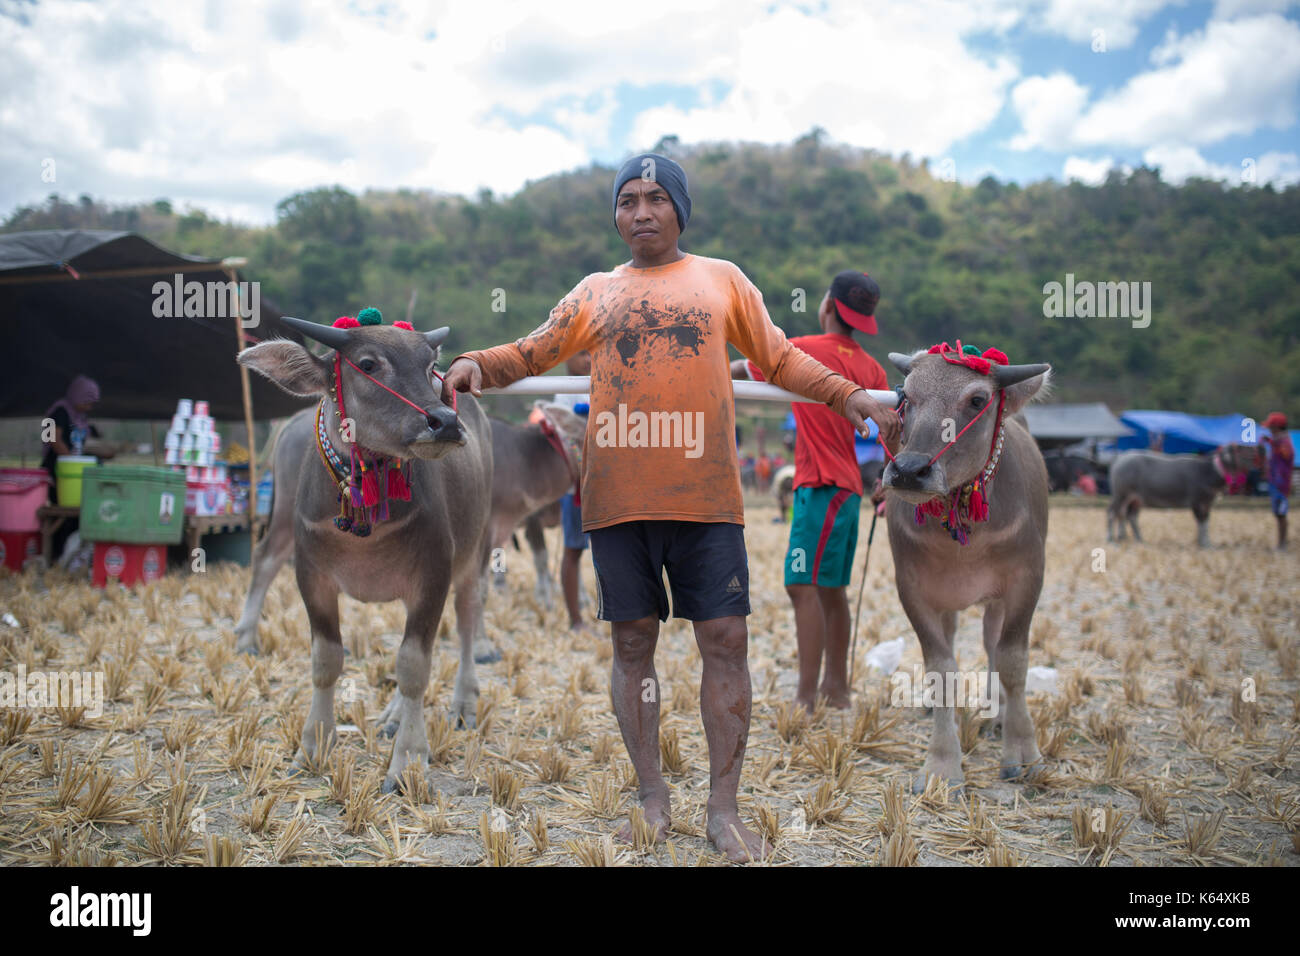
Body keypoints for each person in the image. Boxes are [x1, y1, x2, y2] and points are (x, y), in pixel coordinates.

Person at [441, 153, 900, 863]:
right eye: (629, 200)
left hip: (707, 497)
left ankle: (724, 809)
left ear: (681, 210)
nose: (643, 211)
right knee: (632, 646)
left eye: (657, 197)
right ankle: (651, 798)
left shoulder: (723, 280)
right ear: (617, 215)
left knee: (725, 641)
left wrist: (849, 393)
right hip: (617, 502)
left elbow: (779, 360)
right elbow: (533, 350)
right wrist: (478, 363)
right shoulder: (595, 291)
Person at [732, 270, 889, 712]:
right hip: (847, 490)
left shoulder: (802, 350)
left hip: (819, 487)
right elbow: (893, 428)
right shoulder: (871, 367)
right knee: (831, 591)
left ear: (827, 306)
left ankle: (805, 697)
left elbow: (750, 367)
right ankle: (836, 690)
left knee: (801, 586)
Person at [40, 375, 112, 560]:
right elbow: (52, 438)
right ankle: (56, 555)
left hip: (76, 474)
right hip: (58, 472)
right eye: (86, 403)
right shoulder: (59, 413)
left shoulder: (81, 419)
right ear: (77, 396)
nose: (89, 407)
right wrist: (70, 460)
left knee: (77, 515)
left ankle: (74, 557)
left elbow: (87, 444)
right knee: (61, 514)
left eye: (91, 404)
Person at [550, 350, 592, 631]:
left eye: (592, 353)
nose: (588, 359)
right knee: (573, 549)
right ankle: (575, 619)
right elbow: (561, 430)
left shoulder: (605, 382)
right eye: (581, 354)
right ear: (567, 358)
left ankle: (615, 615)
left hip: (611, 481)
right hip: (576, 485)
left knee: (611, 552)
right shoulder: (563, 393)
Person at [1262, 412, 1293, 550]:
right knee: (1278, 514)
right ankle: (1281, 543)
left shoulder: (1285, 443)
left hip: (1281, 484)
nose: (1269, 430)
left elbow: (1287, 455)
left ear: (1277, 428)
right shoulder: (1277, 442)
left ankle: (1283, 544)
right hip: (1275, 482)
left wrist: (1275, 444)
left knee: (1281, 514)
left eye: (1271, 427)